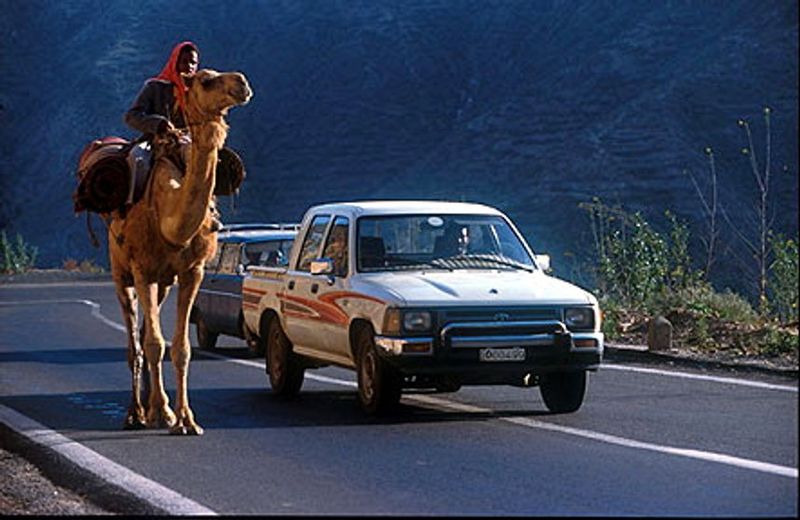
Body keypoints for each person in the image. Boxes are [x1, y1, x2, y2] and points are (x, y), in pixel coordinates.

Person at [122, 41, 221, 229]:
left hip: (185, 141)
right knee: (137, 159)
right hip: (154, 141)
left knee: (204, 161)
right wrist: (157, 124)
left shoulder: (196, 93)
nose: (189, 67)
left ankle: (209, 210)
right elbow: (131, 116)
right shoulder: (154, 87)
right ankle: (129, 210)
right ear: (174, 62)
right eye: (184, 62)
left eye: (193, 63)